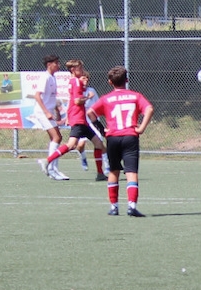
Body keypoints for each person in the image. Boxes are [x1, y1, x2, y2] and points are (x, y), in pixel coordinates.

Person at [87, 66, 154, 217]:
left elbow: (90, 112)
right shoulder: (135, 96)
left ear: (110, 82)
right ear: (127, 80)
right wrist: (141, 128)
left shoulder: (106, 98)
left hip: (113, 137)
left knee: (113, 171)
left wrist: (102, 129)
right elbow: (149, 109)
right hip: (130, 136)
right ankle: (132, 206)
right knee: (131, 172)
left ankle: (114, 207)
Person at [39, 59, 108, 181]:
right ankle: (47, 161)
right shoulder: (76, 81)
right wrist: (88, 97)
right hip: (78, 118)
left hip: (81, 119)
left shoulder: (74, 81)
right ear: (73, 70)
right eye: (80, 68)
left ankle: (100, 173)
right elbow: (77, 101)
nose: (82, 71)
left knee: (98, 143)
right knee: (71, 145)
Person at [32, 54, 66, 180]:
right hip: (42, 112)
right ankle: (51, 168)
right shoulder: (45, 77)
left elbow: (51, 98)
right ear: (49, 65)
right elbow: (37, 96)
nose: (58, 65)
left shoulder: (53, 78)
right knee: (57, 137)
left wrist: (56, 110)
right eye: (56, 63)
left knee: (55, 138)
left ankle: (53, 169)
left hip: (49, 111)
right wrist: (46, 112)